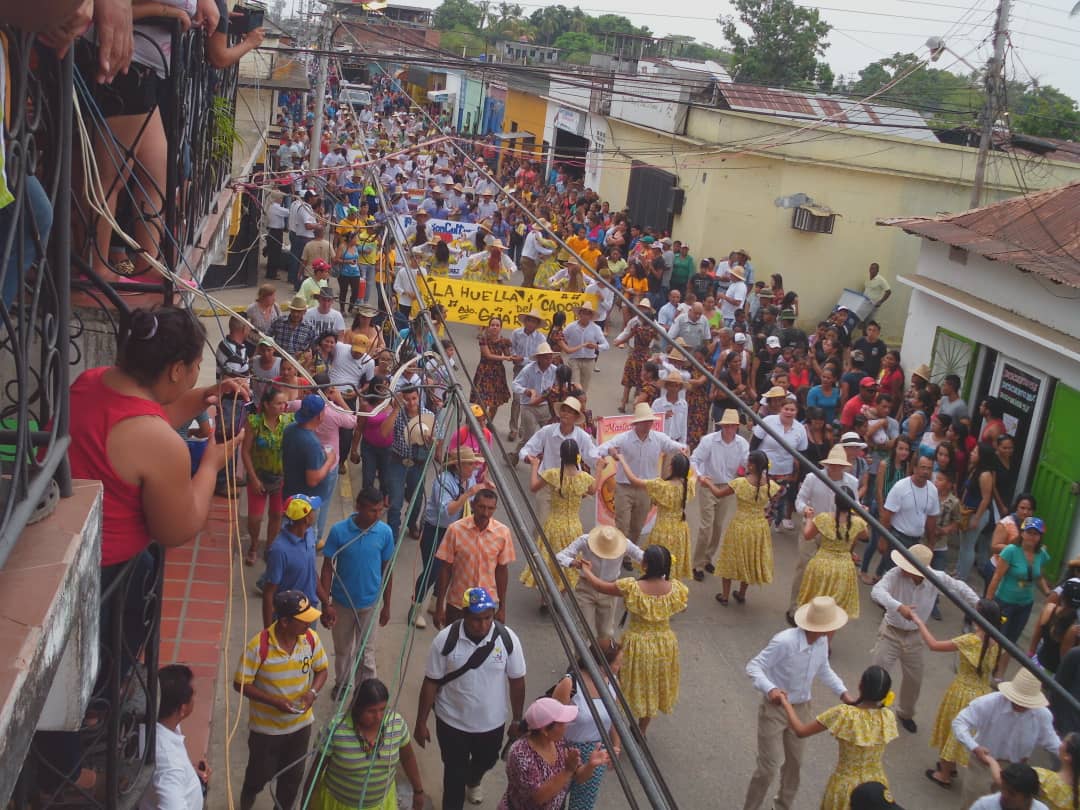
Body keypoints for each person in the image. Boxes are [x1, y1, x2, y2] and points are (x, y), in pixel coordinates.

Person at [414, 586, 526, 810]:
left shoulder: (507, 639)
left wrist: (517, 719)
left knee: (487, 760)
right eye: (476, 620)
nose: (483, 625)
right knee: (453, 777)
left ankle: (473, 779)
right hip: (451, 723)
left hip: (491, 724)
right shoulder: (445, 640)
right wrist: (421, 722)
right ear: (464, 615)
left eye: (488, 618)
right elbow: (431, 682)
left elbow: (517, 680)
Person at [742, 596, 853, 810]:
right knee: (768, 767)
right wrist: (771, 688)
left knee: (795, 764)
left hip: (801, 708)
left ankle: (783, 805)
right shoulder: (784, 642)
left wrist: (843, 693)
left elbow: (824, 670)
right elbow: (754, 666)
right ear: (821, 628)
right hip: (775, 710)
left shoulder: (821, 643)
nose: (834, 632)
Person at [234, 590, 329, 810]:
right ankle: (247, 798)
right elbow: (240, 683)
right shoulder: (259, 646)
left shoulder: (310, 639)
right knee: (258, 776)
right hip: (266, 732)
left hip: (300, 727)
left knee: (291, 783)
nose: (309, 624)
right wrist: (274, 702)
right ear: (284, 622)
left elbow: (322, 670)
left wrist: (311, 693)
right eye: (303, 620)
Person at [578, 546, 688, 734]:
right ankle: (641, 730)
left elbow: (598, 586)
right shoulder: (677, 589)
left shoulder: (632, 587)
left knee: (622, 684)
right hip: (664, 645)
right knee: (652, 686)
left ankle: (615, 730)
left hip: (637, 645)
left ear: (645, 565)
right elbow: (681, 607)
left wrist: (586, 570)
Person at [871, 544, 980, 733]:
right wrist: (898, 606)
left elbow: (959, 587)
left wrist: (980, 605)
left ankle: (905, 713)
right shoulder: (895, 574)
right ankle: (872, 712)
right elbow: (877, 591)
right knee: (879, 674)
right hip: (890, 631)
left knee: (914, 679)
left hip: (914, 635)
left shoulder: (936, 578)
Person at [777, 665, 899, 810]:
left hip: (845, 788)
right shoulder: (887, 716)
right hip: (877, 787)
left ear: (861, 685)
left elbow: (800, 731)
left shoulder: (844, 714)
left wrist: (786, 703)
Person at [915, 599, 1003, 789]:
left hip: (963, 691)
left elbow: (933, 645)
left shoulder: (971, 640)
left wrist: (919, 622)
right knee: (965, 731)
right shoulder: (998, 641)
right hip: (982, 692)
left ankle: (944, 774)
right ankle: (950, 766)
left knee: (953, 730)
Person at [319, 488, 395, 701]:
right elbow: (327, 567)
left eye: (380, 510)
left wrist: (386, 606)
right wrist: (326, 604)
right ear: (358, 507)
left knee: (367, 653)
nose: (377, 515)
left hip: (370, 604)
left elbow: (387, 570)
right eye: (372, 510)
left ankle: (366, 693)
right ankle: (342, 684)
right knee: (342, 650)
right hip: (342, 603)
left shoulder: (385, 533)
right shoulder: (339, 531)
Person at [307, 678, 426, 810]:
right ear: (357, 708)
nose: (378, 717)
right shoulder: (335, 730)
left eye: (382, 709)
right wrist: (306, 802)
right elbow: (315, 770)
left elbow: (408, 757)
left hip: (382, 805)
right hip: (339, 805)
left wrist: (418, 791)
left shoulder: (396, 724)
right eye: (371, 711)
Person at [952, 668, 1061, 808]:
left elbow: (1052, 742)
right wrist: (974, 747)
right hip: (982, 764)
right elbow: (960, 722)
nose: (1021, 705)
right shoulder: (990, 702)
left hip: (1015, 772)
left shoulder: (1042, 716)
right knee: (973, 804)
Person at [596, 402, 688, 552]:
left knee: (637, 526)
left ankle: (627, 552)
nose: (648, 424)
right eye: (645, 421)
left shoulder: (659, 438)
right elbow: (601, 450)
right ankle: (618, 553)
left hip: (646, 489)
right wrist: (610, 452)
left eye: (649, 421)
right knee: (622, 524)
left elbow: (675, 446)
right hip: (624, 487)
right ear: (637, 423)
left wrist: (683, 449)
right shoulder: (623, 438)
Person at [413, 447, 486, 629]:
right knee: (432, 570)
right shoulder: (443, 481)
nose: (473, 467)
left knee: (448, 569)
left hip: (455, 530)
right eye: (470, 463)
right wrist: (468, 494)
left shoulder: (468, 479)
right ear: (458, 465)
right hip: (435, 530)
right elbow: (448, 510)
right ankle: (415, 609)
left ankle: (435, 603)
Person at [786, 445, 861, 623]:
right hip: (814, 527)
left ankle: (821, 610)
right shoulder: (813, 478)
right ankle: (795, 606)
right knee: (804, 566)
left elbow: (855, 504)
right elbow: (800, 499)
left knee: (829, 574)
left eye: (838, 465)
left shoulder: (852, 482)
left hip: (835, 535)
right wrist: (806, 510)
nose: (834, 468)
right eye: (832, 465)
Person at [497, 697, 610, 810]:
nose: (566, 725)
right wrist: (568, 770)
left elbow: (579, 777)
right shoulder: (520, 754)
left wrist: (591, 765)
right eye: (561, 723)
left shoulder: (559, 743)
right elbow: (539, 798)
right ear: (545, 730)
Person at [551, 639, 623, 810]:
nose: (620, 667)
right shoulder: (569, 684)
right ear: (601, 665)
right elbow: (551, 724)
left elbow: (613, 719)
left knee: (582, 806)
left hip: (595, 753)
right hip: (564, 752)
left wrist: (616, 746)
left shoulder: (613, 683)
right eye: (617, 663)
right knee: (553, 802)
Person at [522, 439, 596, 596]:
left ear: (561, 456)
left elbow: (533, 487)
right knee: (568, 561)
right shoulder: (584, 478)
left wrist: (535, 465)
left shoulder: (553, 474)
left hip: (553, 525)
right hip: (574, 528)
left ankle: (546, 595)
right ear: (578, 456)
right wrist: (601, 469)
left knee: (550, 560)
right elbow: (593, 490)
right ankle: (561, 593)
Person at [434, 489, 516, 628]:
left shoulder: (503, 533)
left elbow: (502, 571)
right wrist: (439, 605)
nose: (485, 513)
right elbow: (445, 569)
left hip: (487, 606)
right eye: (482, 507)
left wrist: (502, 608)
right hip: (458, 604)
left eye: (490, 508)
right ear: (472, 505)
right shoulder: (455, 530)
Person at [610, 451, 695, 581]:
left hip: (662, 530)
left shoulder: (661, 486)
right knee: (672, 563)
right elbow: (695, 475)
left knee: (658, 562)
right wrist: (686, 456)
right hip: (680, 531)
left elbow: (633, 480)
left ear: (671, 467)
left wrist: (622, 460)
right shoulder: (688, 485)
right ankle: (670, 591)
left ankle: (655, 590)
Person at [139, 664, 210, 810]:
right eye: (193, 696)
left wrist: (189, 772)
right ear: (182, 709)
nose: (195, 698)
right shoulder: (170, 767)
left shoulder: (160, 721)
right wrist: (179, 773)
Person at [715, 450, 780, 606]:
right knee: (749, 559)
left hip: (740, 524)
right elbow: (776, 498)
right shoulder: (771, 485)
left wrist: (706, 483)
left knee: (731, 558)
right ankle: (742, 594)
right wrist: (766, 511)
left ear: (752, 465)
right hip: (758, 526)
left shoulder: (740, 483)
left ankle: (725, 596)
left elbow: (718, 494)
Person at [691, 410, 750, 581]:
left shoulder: (742, 444)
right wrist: (700, 476)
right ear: (722, 426)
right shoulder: (709, 441)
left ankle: (708, 558)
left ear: (737, 427)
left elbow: (747, 463)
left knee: (718, 525)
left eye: (732, 426)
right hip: (709, 485)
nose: (729, 429)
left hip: (728, 487)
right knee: (706, 526)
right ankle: (697, 564)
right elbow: (694, 460)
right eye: (727, 426)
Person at [797, 487, 868, 619]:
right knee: (834, 611)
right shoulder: (857, 523)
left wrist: (809, 518)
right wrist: (859, 515)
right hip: (844, 568)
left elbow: (807, 535)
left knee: (815, 602)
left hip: (822, 563)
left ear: (835, 501)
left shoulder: (824, 518)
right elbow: (865, 536)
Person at [242, 386, 293, 567]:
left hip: (280, 477)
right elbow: (245, 452)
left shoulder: (288, 421)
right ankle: (254, 545)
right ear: (266, 404)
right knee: (255, 518)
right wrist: (253, 478)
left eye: (284, 403)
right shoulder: (254, 422)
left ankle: (270, 546)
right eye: (278, 403)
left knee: (276, 515)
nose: (283, 406)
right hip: (259, 476)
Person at [988, 517, 1053, 647]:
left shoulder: (1041, 554)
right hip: (1005, 602)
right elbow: (997, 576)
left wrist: (1047, 592)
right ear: (1022, 533)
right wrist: (989, 601)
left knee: (1011, 642)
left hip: (1025, 604)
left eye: (1036, 534)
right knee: (996, 638)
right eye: (1029, 532)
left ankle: (1001, 666)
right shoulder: (1011, 550)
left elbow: (1038, 576)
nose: (1032, 537)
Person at [263, 494, 326, 626]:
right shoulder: (279, 550)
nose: (315, 513)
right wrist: (268, 634)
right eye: (312, 510)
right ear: (306, 518)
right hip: (289, 619)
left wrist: (326, 603)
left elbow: (311, 572)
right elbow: (269, 593)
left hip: (310, 611)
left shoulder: (309, 535)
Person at [281, 394, 337, 529]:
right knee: (304, 534)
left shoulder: (290, 429)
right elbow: (312, 480)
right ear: (319, 416)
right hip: (305, 505)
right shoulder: (311, 444)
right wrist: (329, 460)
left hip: (290, 494)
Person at [752, 399, 807, 531]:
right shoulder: (768, 421)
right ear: (780, 409)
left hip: (784, 472)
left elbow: (801, 453)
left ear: (796, 412)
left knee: (773, 504)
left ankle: (764, 531)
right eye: (786, 409)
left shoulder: (800, 429)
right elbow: (754, 444)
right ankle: (754, 526)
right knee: (760, 500)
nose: (789, 412)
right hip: (764, 470)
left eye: (792, 410)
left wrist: (797, 475)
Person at [879, 456, 940, 567]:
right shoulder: (900, 487)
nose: (926, 472)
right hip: (898, 539)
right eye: (923, 468)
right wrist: (883, 539)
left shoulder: (933, 490)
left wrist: (931, 543)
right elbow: (886, 516)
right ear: (915, 468)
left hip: (917, 541)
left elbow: (932, 519)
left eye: (929, 468)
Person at [958, 443, 1001, 582]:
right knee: (963, 543)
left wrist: (976, 518)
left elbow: (986, 498)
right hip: (967, 510)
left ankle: (962, 576)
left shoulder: (985, 475)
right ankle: (959, 569)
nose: (972, 453)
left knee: (969, 545)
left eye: (975, 452)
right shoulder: (975, 469)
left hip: (977, 513)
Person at [508, 309, 549, 441]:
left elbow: (541, 355)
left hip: (533, 369)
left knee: (529, 399)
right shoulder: (516, 333)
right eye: (529, 320)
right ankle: (513, 428)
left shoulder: (541, 338)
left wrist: (524, 359)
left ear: (537, 325)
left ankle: (523, 428)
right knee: (516, 399)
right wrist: (514, 356)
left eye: (534, 322)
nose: (531, 324)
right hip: (518, 368)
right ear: (525, 321)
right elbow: (511, 347)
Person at [511, 342, 559, 454]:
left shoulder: (554, 370)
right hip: (528, 407)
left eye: (550, 358)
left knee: (549, 435)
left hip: (546, 407)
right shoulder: (528, 369)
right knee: (528, 436)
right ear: (539, 358)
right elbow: (515, 385)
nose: (549, 361)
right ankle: (515, 454)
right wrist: (526, 391)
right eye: (546, 358)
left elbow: (559, 385)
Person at [1031, 580, 1080, 676]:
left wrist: (1030, 654)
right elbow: (1065, 660)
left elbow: (1036, 635)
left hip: (1037, 664)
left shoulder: (1049, 608)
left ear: (1062, 597)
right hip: (1054, 676)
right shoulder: (1075, 629)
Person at [471, 316, 513, 422]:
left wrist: (513, 355)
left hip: (498, 374)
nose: (494, 327)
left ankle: (489, 422)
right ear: (489, 327)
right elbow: (488, 355)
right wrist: (505, 357)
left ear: (500, 328)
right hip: (484, 372)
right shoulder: (483, 339)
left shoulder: (504, 341)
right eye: (492, 325)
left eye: (497, 325)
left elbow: (509, 355)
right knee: (482, 401)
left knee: (495, 402)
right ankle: (478, 422)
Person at [562, 301, 609, 394]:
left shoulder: (596, 328)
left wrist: (596, 346)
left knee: (584, 387)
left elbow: (606, 345)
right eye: (584, 313)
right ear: (580, 314)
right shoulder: (571, 327)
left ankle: (580, 406)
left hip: (589, 360)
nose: (585, 316)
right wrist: (567, 348)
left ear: (591, 316)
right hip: (574, 359)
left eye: (588, 314)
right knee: (575, 385)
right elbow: (562, 338)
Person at [974, 762, 1050, 810]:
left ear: (1028, 797)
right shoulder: (984, 806)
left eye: (1012, 793)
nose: (1004, 795)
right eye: (1003, 788)